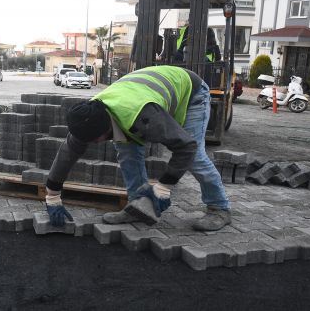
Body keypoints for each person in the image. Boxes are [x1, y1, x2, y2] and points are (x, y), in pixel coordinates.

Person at [43, 65, 231, 231]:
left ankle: (219, 208)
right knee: (127, 154)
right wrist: (52, 197)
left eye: (94, 140)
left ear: (106, 129)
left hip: (191, 92)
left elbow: (186, 146)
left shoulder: (145, 118)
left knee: (195, 156)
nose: (92, 143)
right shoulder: (89, 116)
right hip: (141, 93)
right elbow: (66, 155)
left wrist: (163, 187)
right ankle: (138, 206)